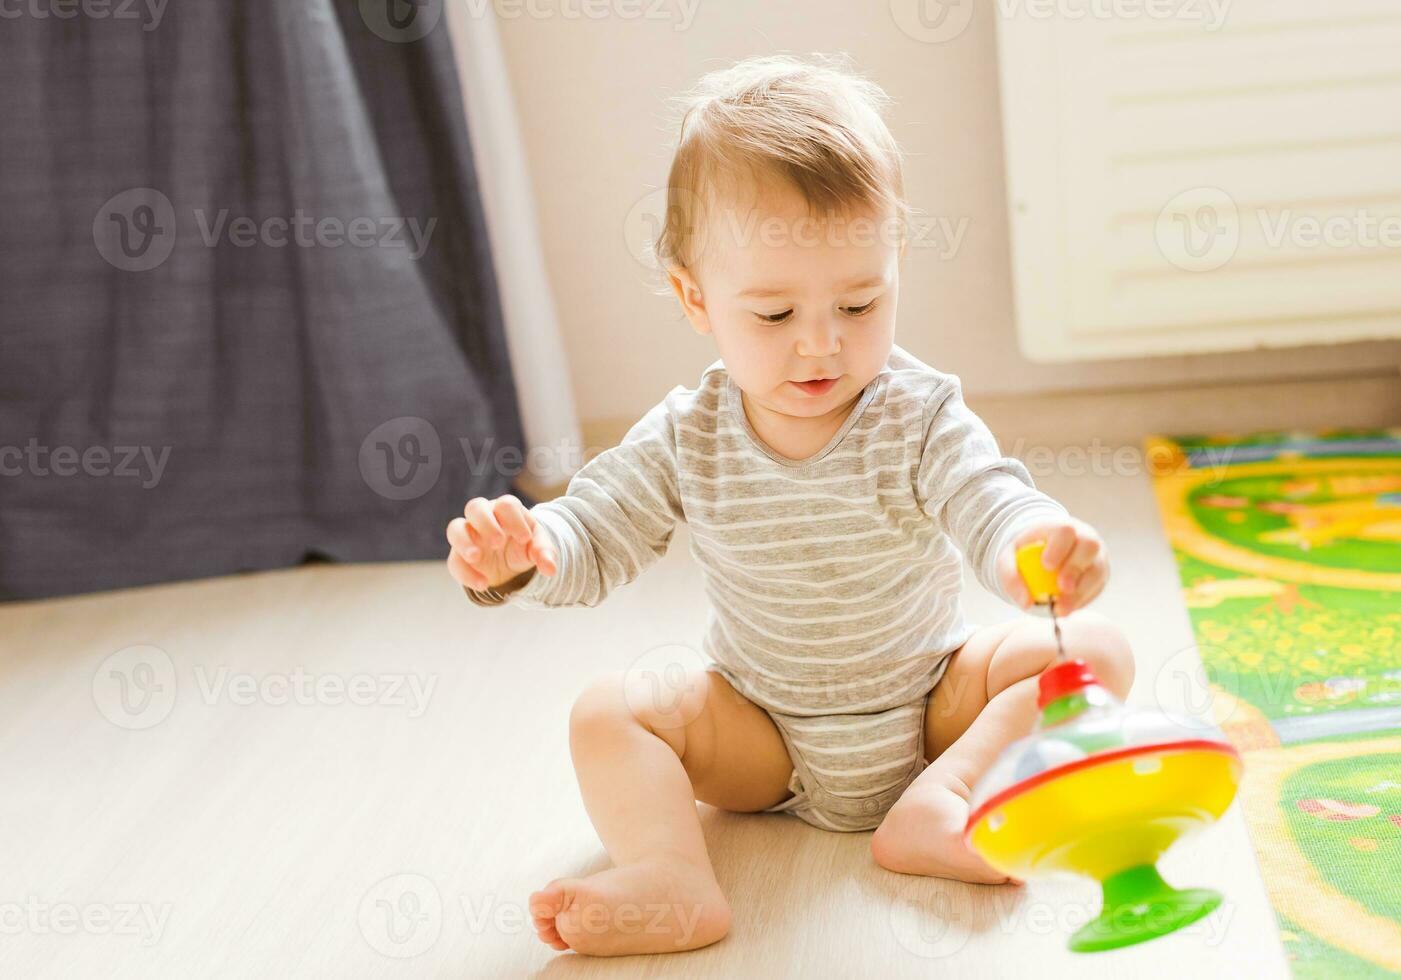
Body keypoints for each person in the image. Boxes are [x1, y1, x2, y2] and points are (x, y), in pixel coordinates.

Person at [445, 53, 1133, 957]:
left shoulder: (918, 412)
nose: (821, 344)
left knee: (1094, 650)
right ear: (697, 299)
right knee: (606, 711)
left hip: (932, 709)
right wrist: (528, 552)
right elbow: (595, 530)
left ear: (894, 271)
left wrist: (1036, 547)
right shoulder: (688, 434)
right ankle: (674, 878)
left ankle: (945, 800)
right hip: (760, 735)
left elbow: (988, 500)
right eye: (773, 316)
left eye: (859, 302)